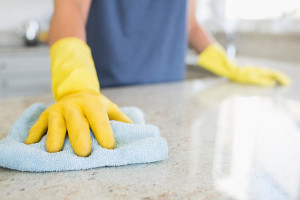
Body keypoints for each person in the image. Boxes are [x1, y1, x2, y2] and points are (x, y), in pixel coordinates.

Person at [25, 0, 290, 157]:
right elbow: (70, 10)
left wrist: (230, 67)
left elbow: (190, 25)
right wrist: (76, 86)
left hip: (172, 97)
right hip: (104, 101)